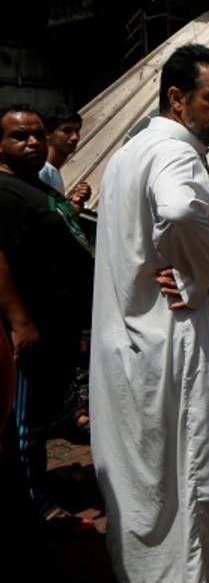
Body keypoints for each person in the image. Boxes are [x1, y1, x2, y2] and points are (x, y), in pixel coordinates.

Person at [89, 43, 209, 582]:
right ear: (177, 99)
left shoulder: (128, 154)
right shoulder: (175, 153)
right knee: (199, 482)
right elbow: (179, 209)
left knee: (148, 484)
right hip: (180, 343)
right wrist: (198, 277)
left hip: (134, 345)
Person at [0, 104, 95, 531]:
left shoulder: (33, 185)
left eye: (38, 134)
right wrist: (20, 322)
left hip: (56, 325)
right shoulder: (4, 192)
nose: (34, 142)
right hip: (31, 328)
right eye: (20, 136)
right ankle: (31, 500)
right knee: (24, 423)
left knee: (40, 414)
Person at [38, 109, 91, 211]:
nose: (75, 137)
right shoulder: (42, 171)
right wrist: (74, 209)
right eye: (66, 130)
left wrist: (75, 200)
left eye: (77, 131)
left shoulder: (53, 171)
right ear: (48, 134)